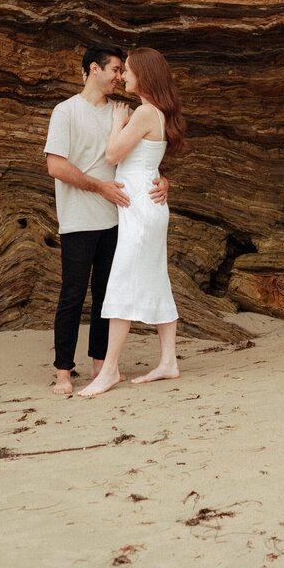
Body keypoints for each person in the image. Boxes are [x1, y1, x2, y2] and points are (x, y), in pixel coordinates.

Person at [44, 44, 169, 397]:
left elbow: (141, 155)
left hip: (118, 218)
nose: (119, 76)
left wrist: (162, 180)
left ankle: (100, 363)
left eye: (122, 70)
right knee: (72, 294)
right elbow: (55, 166)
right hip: (78, 218)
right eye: (115, 69)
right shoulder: (66, 112)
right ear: (93, 70)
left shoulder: (122, 111)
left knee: (106, 294)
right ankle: (63, 371)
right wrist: (99, 186)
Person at [79, 46, 187, 397]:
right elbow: (147, 161)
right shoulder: (158, 112)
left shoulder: (143, 113)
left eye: (126, 69)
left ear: (143, 73)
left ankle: (109, 369)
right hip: (147, 205)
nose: (122, 75)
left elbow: (113, 155)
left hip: (140, 207)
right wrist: (162, 179)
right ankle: (168, 361)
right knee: (156, 279)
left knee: (122, 280)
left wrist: (116, 123)